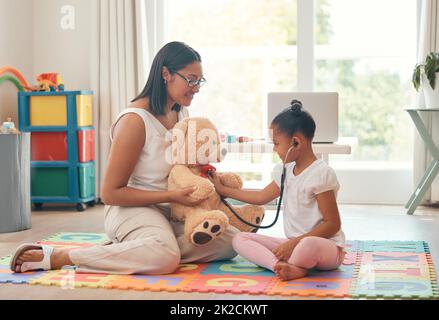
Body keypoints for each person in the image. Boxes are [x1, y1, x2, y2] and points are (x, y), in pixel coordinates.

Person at [10, 41, 238, 275]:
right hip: (133, 209)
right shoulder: (134, 121)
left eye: (199, 81)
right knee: (165, 257)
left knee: (231, 240)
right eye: (191, 79)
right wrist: (171, 195)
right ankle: (62, 256)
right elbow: (110, 193)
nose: (196, 87)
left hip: (172, 209)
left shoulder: (181, 112)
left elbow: (181, 165)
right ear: (166, 74)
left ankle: (136, 249)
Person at [208, 100, 346, 281]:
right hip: (294, 245)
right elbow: (260, 197)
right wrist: (223, 190)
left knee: (307, 245)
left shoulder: (320, 174)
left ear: (296, 142)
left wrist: (296, 243)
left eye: (277, 143)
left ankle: (295, 265)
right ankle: (280, 266)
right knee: (239, 239)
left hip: (325, 247)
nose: (275, 149)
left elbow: (332, 224)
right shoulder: (284, 170)